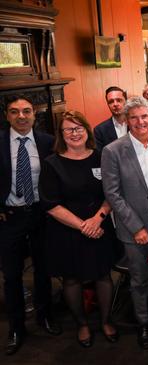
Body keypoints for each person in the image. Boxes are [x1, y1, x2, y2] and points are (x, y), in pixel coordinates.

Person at [101, 96, 148, 349]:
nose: (140, 121)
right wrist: (137, 228)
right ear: (126, 120)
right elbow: (113, 194)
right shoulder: (112, 151)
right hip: (134, 230)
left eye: (144, 116)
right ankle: (143, 323)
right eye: (134, 117)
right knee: (139, 279)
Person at [39, 111, 119, 348]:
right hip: (66, 230)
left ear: (87, 130)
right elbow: (51, 204)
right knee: (72, 279)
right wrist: (84, 226)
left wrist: (98, 219)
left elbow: (111, 192)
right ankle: (82, 324)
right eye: (69, 129)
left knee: (103, 275)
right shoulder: (51, 163)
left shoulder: (101, 157)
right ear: (61, 134)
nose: (75, 133)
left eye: (79, 128)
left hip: (100, 225)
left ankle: (105, 321)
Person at [1, 96, 60, 356]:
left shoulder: (47, 142)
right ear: (7, 116)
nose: (21, 116)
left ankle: (45, 315)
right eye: (15, 112)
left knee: (43, 269)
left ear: (34, 114)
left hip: (40, 214)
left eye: (26, 111)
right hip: (9, 216)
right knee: (12, 275)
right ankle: (16, 327)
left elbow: (57, 177)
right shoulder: (0, 142)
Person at [94, 86, 128, 151]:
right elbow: (102, 156)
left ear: (125, 101)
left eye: (119, 100)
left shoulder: (136, 124)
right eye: (111, 101)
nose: (115, 104)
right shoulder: (100, 131)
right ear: (108, 104)